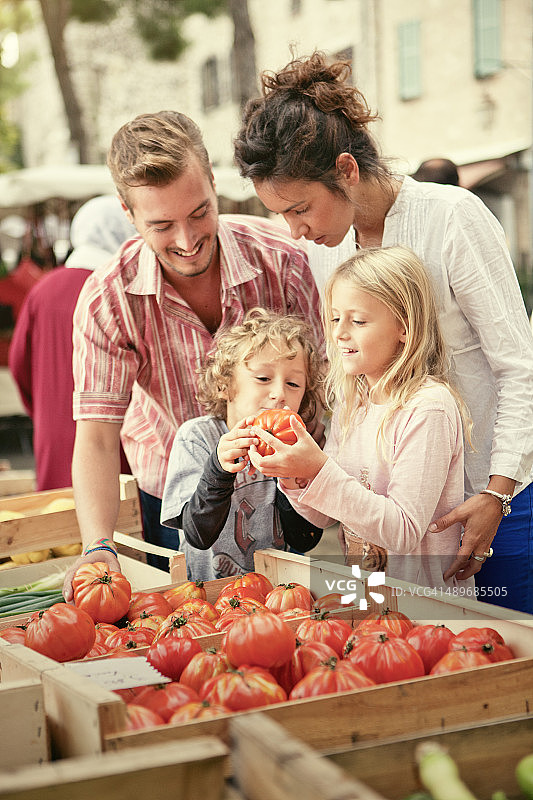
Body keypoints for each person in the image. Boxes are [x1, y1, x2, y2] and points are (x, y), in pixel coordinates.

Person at [234, 51, 533, 612]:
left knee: (507, 657)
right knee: (413, 649)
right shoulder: (329, 248)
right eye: (282, 217)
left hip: (500, 496)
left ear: (346, 169)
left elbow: (520, 368)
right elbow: (354, 388)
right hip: (388, 517)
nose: (296, 232)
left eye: (301, 209)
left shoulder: (454, 219)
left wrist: (497, 492)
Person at [62, 110, 323, 598]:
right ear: (127, 212)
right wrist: (97, 545)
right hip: (176, 501)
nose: (187, 241)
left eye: (200, 212)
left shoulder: (282, 261)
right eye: (162, 225)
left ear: (213, 185)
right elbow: (97, 437)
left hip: (280, 492)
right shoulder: (107, 298)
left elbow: (324, 390)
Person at [248, 247, 474, 594]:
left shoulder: (428, 408)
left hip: (426, 606)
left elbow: (404, 531)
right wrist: (295, 475)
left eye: (358, 320)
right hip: (368, 598)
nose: (338, 333)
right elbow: (324, 517)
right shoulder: (353, 404)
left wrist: (319, 469)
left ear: (404, 326)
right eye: (336, 318)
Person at [161, 307, 323, 580]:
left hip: (281, 598)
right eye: (263, 378)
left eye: (294, 384)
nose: (279, 394)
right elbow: (197, 535)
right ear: (225, 385)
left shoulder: (301, 446)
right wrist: (218, 469)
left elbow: (305, 539)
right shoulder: (197, 438)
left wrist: (292, 482)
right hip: (210, 599)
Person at [8, 195, 136, 491]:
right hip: (113, 434)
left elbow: (18, 363)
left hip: (54, 429)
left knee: (58, 524)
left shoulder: (43, 289)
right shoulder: (120, 289)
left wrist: (44, 408)